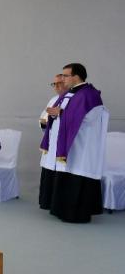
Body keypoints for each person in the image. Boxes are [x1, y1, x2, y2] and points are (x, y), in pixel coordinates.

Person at [39, 63, 108, 223]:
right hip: (68, 146)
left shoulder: (89, 95)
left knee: (76, 175)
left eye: (65, 76)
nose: (62, 79)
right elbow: (59, 115)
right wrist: (53, 115)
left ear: (76, 76)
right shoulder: (68, 94)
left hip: (81, 146)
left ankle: (75, 213)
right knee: (65, 175)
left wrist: (61, 113)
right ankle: (61, 209)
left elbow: (90, 118)